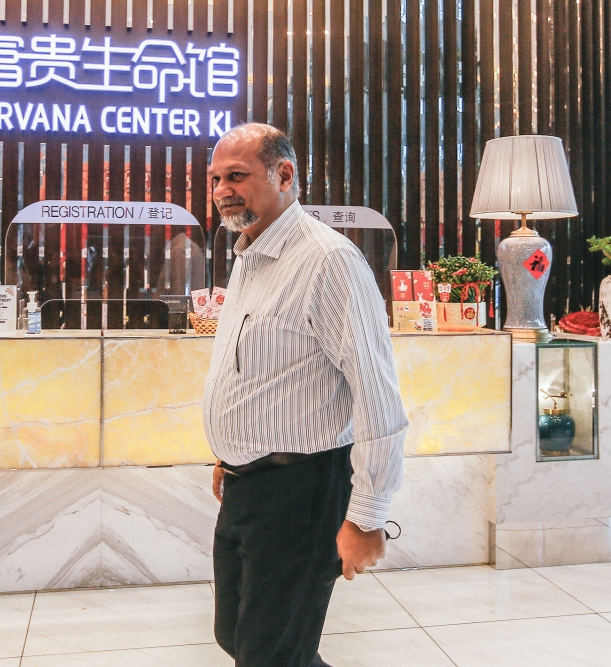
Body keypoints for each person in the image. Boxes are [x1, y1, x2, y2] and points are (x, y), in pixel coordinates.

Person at [203, 123, 408, 667]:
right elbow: (258, 372)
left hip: (303, 490)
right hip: (248, 486)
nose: (223, 189)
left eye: (238, 176)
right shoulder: (248, 254)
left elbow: (377, 395)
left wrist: (365, 517)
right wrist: (231, 452)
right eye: (216, 178)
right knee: (237, 637)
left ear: (285, 175)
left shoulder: (328, 260)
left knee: (271, 653)